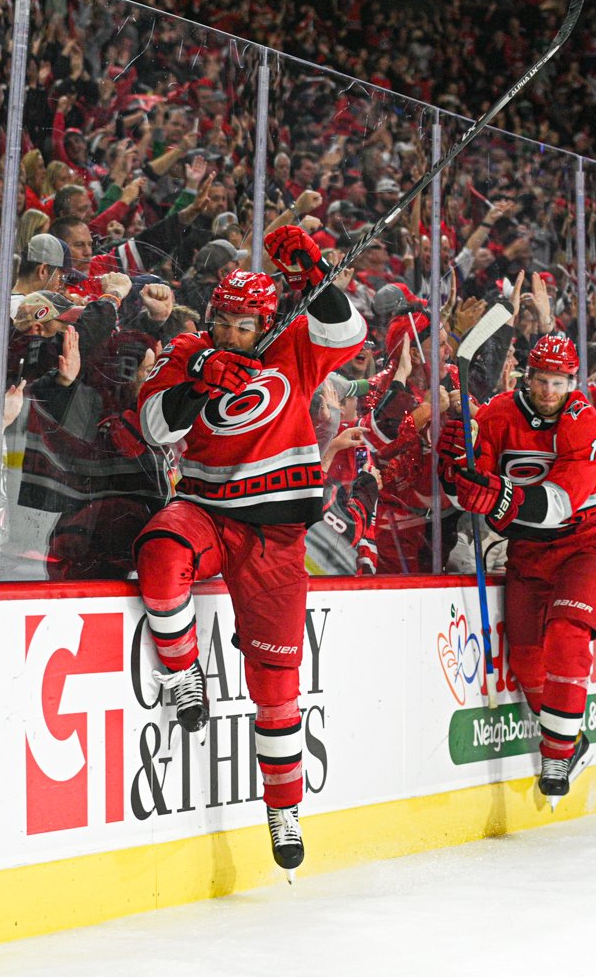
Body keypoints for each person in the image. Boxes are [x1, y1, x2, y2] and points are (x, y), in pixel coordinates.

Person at [133, 224, 366, 875]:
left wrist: (314, 274)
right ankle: (184, 676)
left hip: (276, 538)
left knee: (277, 687)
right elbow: (155, 427)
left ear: (267, 320)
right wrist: (199, 377)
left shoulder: (294, 347)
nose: (232, 331)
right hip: (206, 510)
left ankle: (283, 808)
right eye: (224, 320)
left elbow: (350, 335)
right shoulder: (189, 350)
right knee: (158, 556)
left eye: (244, 323)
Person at [440, 335, 596, 805]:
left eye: (558, 382)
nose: (548, 390)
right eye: (541, 380)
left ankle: (557, 753)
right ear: (528, 376)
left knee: (566, 639)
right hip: (529, 549)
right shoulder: (499, 414)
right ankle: (572, 739)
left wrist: (498, 497)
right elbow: (469, 486)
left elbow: (559, 503)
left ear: (573, 382)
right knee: (525, 660)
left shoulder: (586, 425)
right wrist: (458, 467)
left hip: (588, 544)